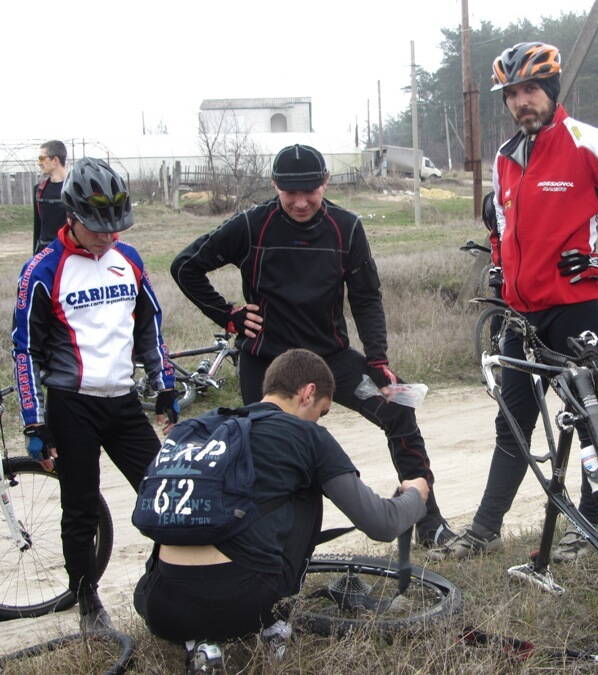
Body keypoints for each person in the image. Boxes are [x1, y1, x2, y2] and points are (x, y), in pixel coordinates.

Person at [428, 42, 598, 563]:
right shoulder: (505, 155)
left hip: (574, 307)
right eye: (512, 93)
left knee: (587, 417)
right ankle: (486, 529)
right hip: (520, 314)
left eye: (531, 89)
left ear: (552, 91)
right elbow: (503, 224)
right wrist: (500, 267)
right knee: (512, 422)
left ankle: (588, 524)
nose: (521, 101)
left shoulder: (586, 141)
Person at [170, 144, 453, 548]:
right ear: (275, 185)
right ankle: (265, 546)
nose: (301, 202)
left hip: (330, 361)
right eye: (290, 193)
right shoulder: (252, 225)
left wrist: (377, 358)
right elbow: (185, 266)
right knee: (266, 452)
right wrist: (228, 316)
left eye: (310, 192)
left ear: (325, 183)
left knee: (398, 410)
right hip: (269, 365)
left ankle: (429, 522)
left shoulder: (346, 227)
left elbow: (366, 298)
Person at [133, 348, 428, 673]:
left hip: (160, 606)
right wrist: (416, 494)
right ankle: (275, 626)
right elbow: (382, 524)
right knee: (310, 484)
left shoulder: (198, 427)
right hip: (245, 603)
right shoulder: (307, 435)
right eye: (322, 412)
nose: (318, 420)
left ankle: (200, 643)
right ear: (308, 393)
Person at [11, 157, 179, 632]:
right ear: (71, 216)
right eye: (97, 228)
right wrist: (34, 421)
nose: (108, 236)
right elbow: (24, 349)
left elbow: (149, 327)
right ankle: (88, 604)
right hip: (72, 405)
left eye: (115, 227)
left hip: (123, 403)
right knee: (81, 509)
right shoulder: (42, 269)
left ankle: (166, 582)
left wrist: (165, 385)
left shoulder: (130, 260)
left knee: (166, 495)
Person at [32, 140, 69, 253]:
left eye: (41, 158)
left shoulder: (75, 189)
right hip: (45, 253)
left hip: (69, 254)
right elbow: (38, 228)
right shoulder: (39, 190)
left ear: (55, 160)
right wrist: (36, 256)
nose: (39, 163)